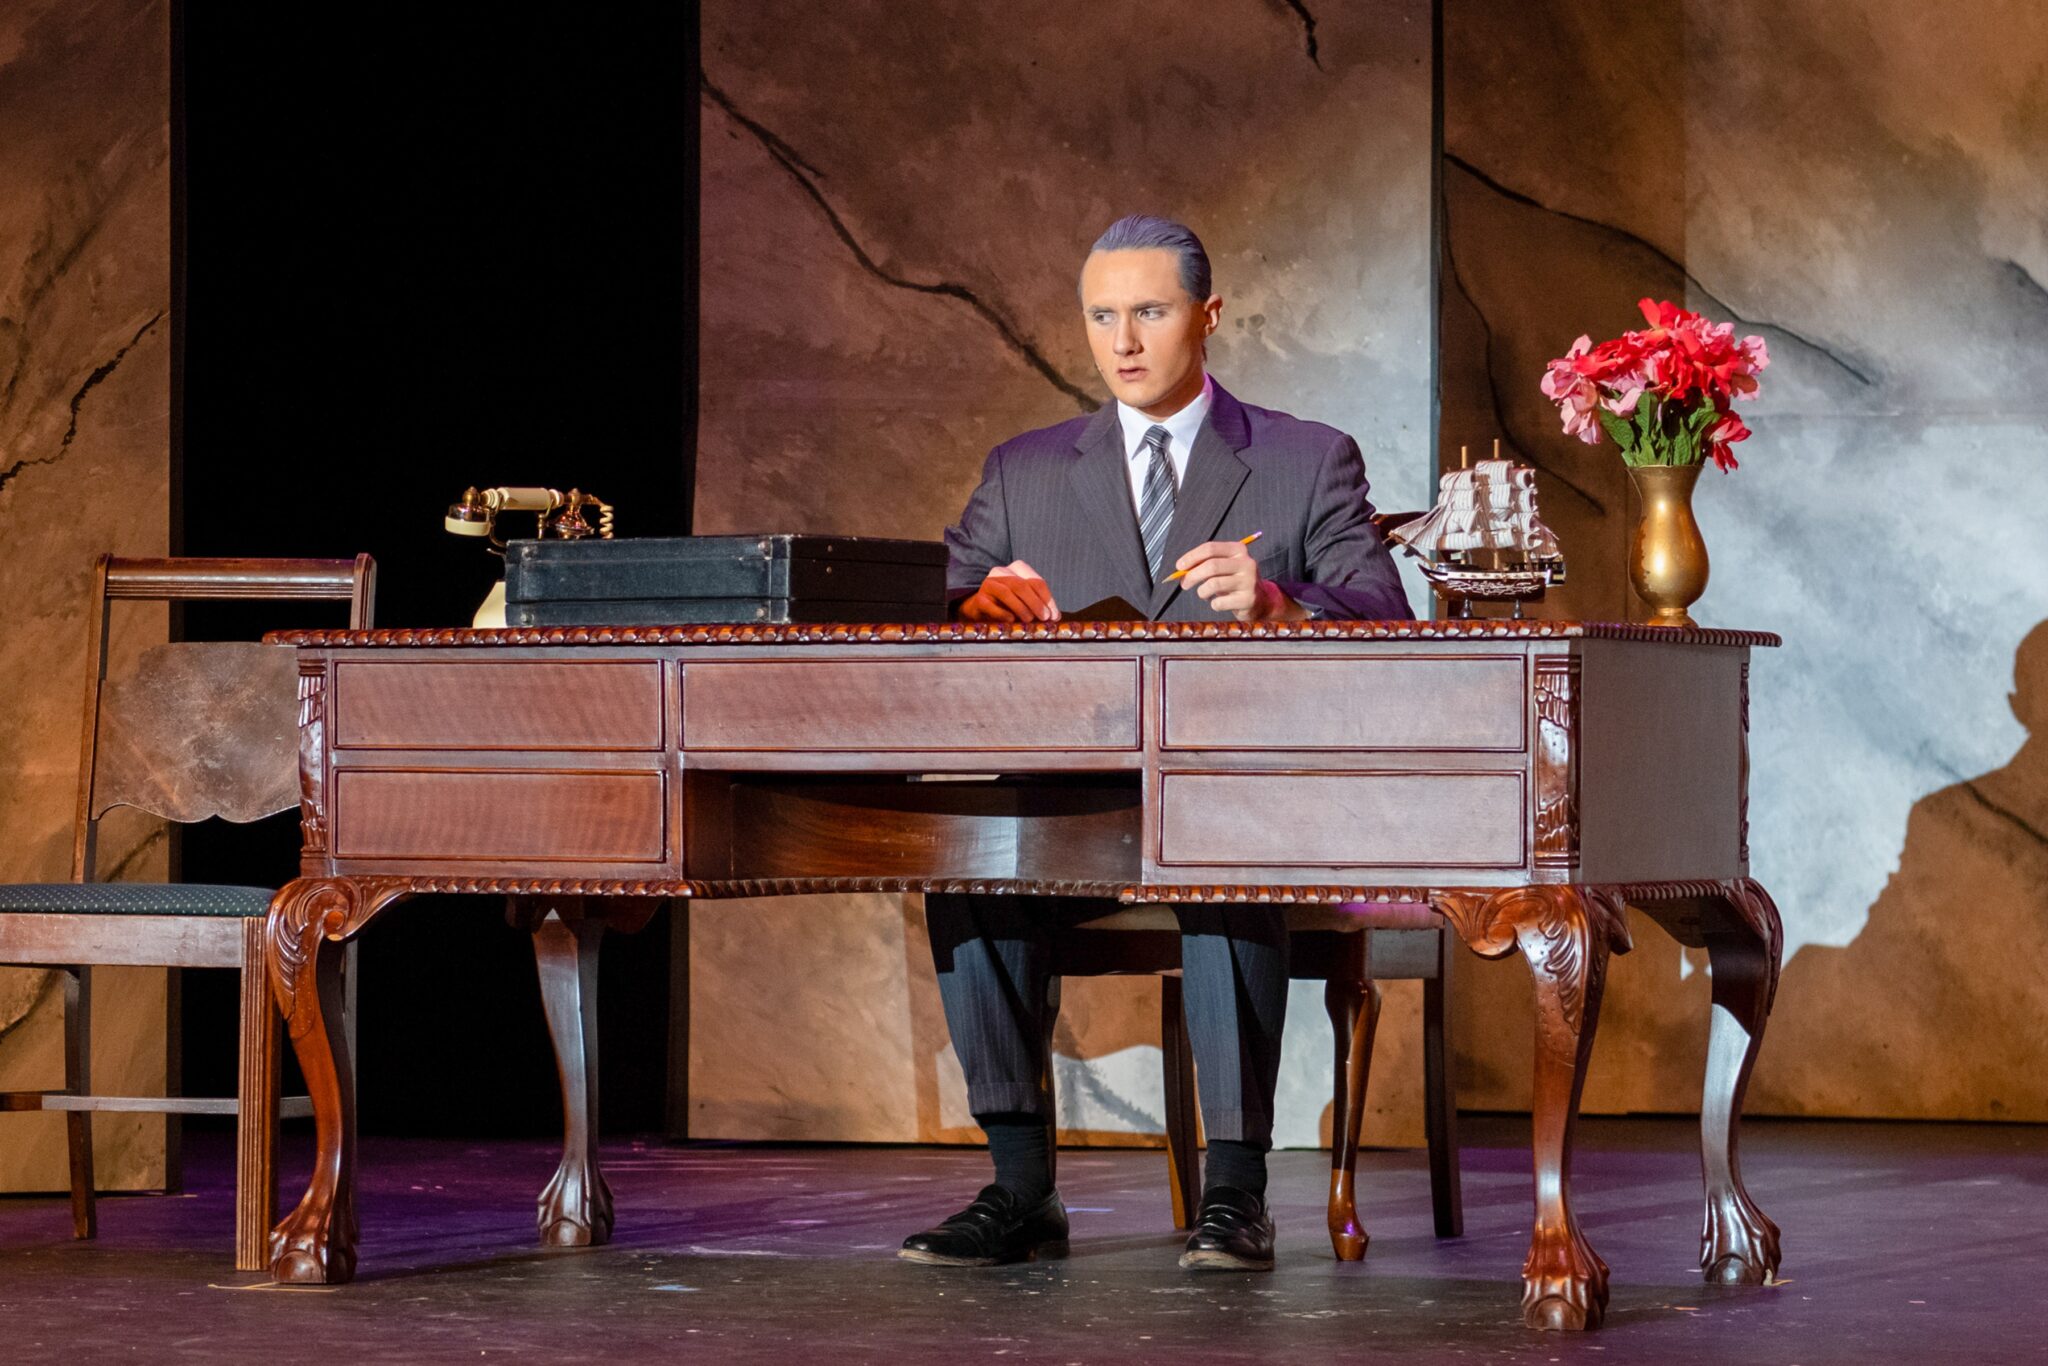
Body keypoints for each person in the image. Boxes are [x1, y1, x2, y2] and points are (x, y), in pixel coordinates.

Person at [900, 215, 1410, 1273]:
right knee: (970, 864)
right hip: (1075, 805)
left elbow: (1387, 622)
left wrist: (1278, 603)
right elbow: (923, 610)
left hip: (1240, 803)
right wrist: (970, 604)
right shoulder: (1024, 472)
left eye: (1148, 311)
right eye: (1099, 315)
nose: (1121, 340)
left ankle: (1234, 1195)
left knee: (1213, 847)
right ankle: (1020, 1188)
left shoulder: (1305, 459)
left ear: (1207, 316)